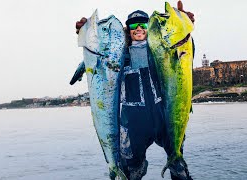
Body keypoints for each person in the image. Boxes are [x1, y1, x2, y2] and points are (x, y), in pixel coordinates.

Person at [75, 1, 195, 180]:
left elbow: (185, 53)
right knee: (132, 172)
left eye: (143, 24)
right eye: (133, 25)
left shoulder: (160, 50)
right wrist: (87, 36)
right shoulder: (118, 54)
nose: (138, 28)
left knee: (178, 167)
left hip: (164, 116)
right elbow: (93, 61)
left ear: (150, 27)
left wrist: (185, 26)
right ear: (127, 29)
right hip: (133, 123)